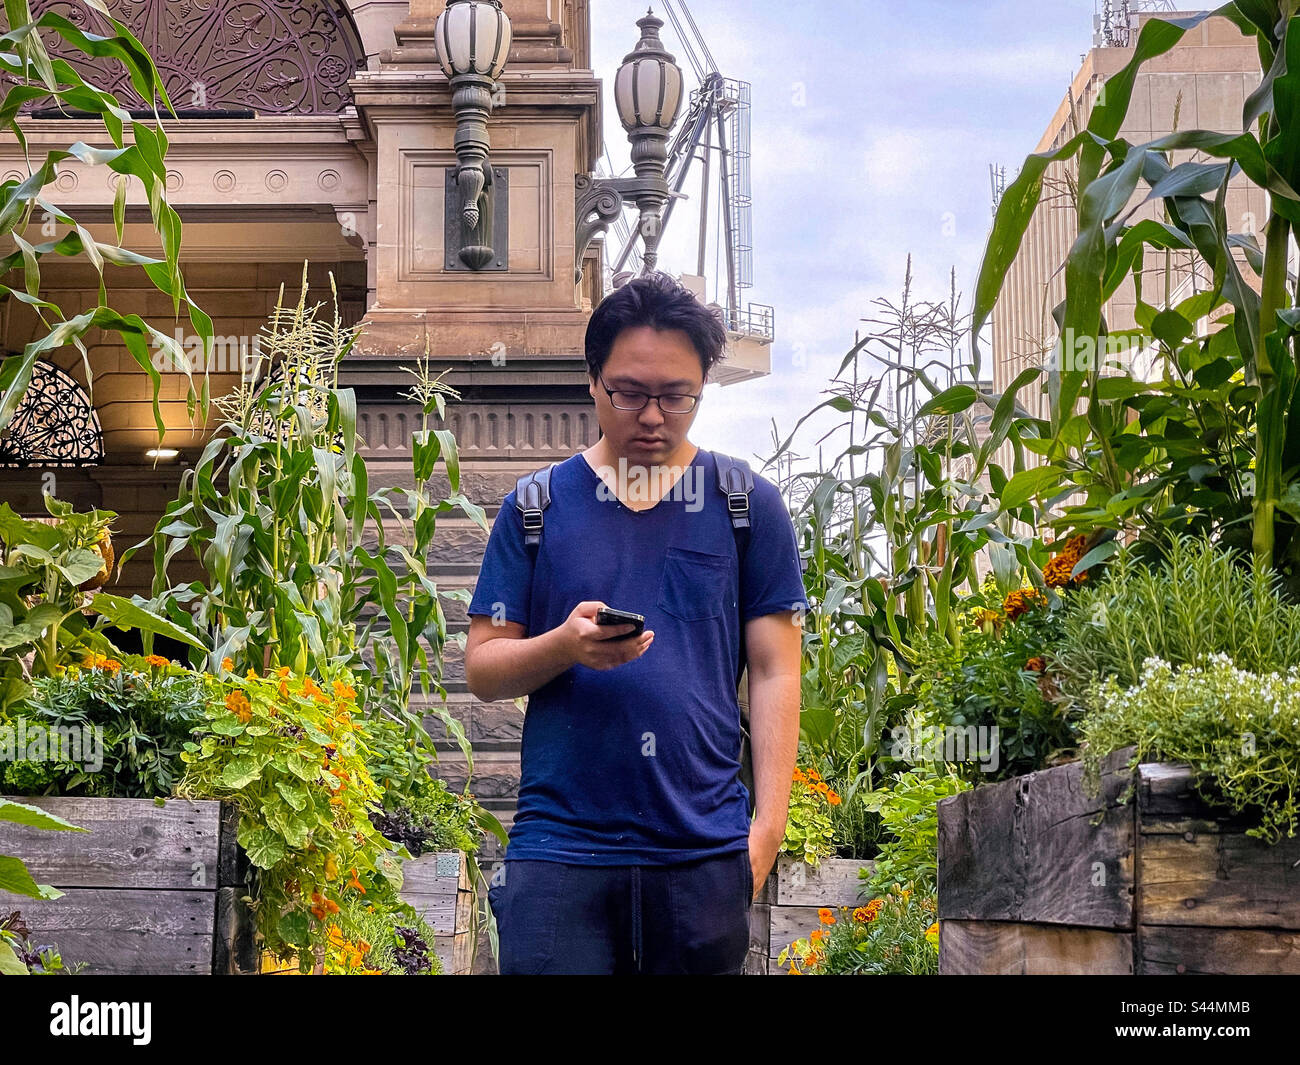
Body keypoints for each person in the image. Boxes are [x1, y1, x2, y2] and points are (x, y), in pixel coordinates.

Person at [465, 271, 808, 974]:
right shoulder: (536, 507)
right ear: (593, 382)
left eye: (676, 395)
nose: (653, 415)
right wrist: (564, 645)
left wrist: (765, 832)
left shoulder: (745, 506)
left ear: (702, 387)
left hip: (701, 853)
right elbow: (483, 668)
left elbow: (776, 669)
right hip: (559, 851)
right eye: (630, 391)